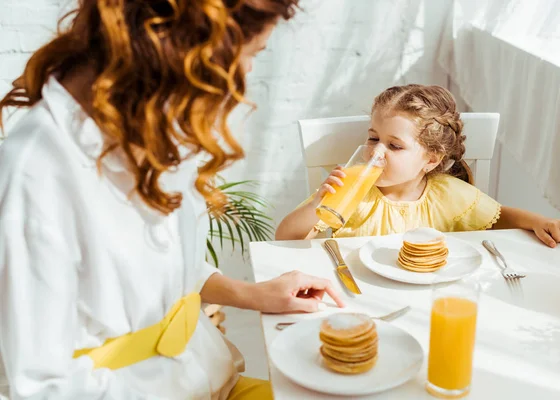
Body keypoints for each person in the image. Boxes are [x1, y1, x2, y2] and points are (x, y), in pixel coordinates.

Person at [0, 1, 345, 399]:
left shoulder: (149, 124)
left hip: (212, 379)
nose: (248, 73)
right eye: (250, 55)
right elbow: (47, 388)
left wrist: (254, 294)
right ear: (183, 46)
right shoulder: (37, 174)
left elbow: (158, 267)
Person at [276, 84, 560, 246]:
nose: (376, 152)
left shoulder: (447, 194)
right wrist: (316, 204)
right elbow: (285, 238)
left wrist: (538, 222)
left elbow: (497, 218)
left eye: (394, 146)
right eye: (372, 138)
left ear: (431, 160)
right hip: (363, 297)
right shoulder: (352, 192)